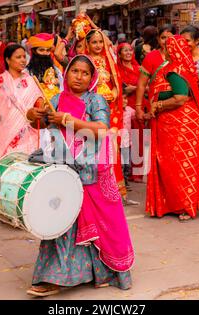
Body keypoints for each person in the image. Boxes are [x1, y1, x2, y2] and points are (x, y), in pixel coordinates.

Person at [25, 55, 134, 297]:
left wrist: (69, 120)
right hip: (63, 168)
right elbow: (39, 122)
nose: (79, 77)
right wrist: (35, 114)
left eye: (85, 73)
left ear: (92, 77)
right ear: (67, 73)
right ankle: (57, 275)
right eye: (75, 71)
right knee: (61, 221)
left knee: (101, 223)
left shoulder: (96, 101)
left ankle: (102, 272)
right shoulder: (56, 99)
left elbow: (102, 130)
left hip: (92, 168)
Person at [142, 35, 199, 222]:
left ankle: (184, 205)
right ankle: (174, 203)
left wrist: (157, 105)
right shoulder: (185, 67)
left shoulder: (175, 70)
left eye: (168, 48)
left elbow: (180, 98)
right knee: (176, 165)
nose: (166, 51)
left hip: (180, 123)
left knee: (177, 165)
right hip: (183, 121)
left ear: (172, 50)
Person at [0, 44, 44, 168]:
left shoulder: (31, 81)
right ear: (7, 59)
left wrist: (37, 112)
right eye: (18, 57)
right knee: (3, 170)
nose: (23, 60)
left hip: (27, 134)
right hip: (2, 135)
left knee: (25, 170)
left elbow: (40, 105)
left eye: (24, 57)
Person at [85, 29, 130, 202]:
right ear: (87, 44)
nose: (97, 45)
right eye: (94, 42)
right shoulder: (85, 61)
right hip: (92, 109)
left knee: (111, 147)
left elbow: (116, 82)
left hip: (110, 108)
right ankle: (95, 189)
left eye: (100, 42)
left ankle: (114, 188)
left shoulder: (109, 60)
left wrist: (113, 92)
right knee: (95, 147)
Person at [117, 42, 146, 183]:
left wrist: (134, 88)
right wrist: (138, 87)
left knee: (139, 138)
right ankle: (125, 172)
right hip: (125, 107)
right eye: (125, 51)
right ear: (120, 53)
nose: (128, 53)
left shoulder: (139, 68)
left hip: (139, 105)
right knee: (126, 139)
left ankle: (138, 172)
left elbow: (146, 87)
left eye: (130, 50)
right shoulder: (117, 69)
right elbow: (123, 89)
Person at [135, 24, 175, 123]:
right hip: (155, 106)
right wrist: (138, 107)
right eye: (163, 38)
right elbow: (142, 84)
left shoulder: (180, 56)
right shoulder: (151, 57)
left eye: (169, 38)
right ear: (158, 39)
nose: (166, 41)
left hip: (176, 104)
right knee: (153, 134)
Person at [26, 33, 63, 101]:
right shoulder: (26, 72)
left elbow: (62, 90)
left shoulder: (56, 71)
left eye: (48, 50)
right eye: (41, 50)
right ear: (34, 51)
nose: (45, 53)